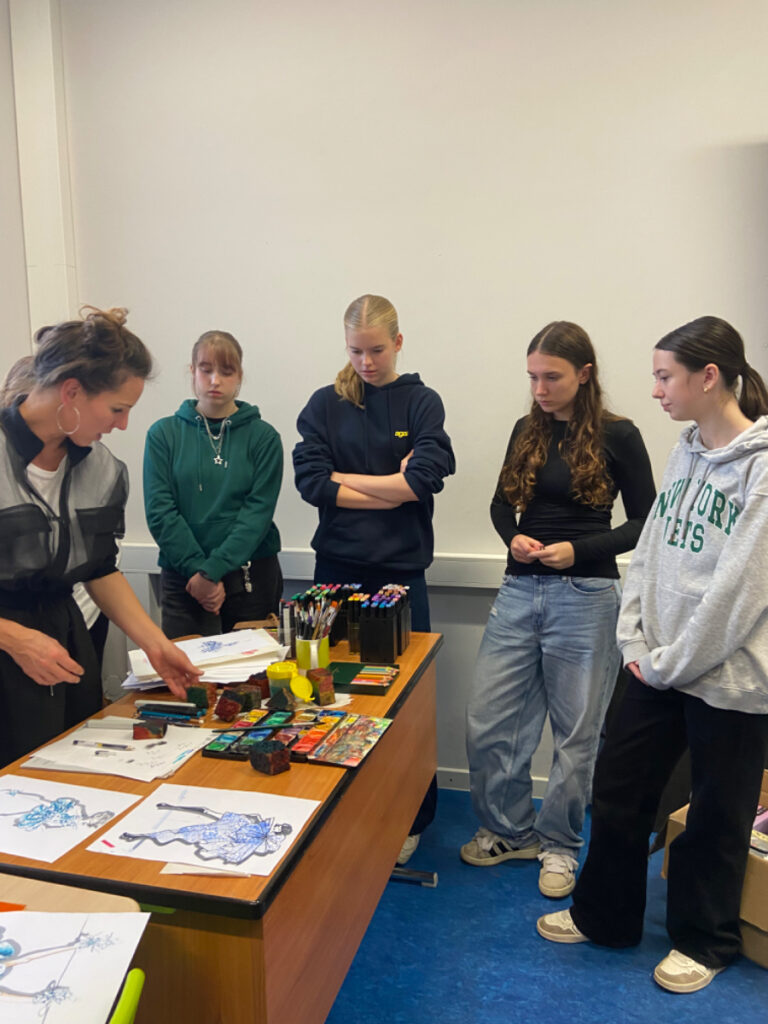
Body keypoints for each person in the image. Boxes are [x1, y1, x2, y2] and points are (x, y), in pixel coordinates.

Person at [537, 316, 768, 993]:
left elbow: (740, 592)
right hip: (654, 664)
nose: (656, 389)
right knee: (618, 792)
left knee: (716, 815)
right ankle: (605, 917)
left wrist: (670, 661)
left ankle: (704, 941)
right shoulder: (685, 449)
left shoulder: (761, 467)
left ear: (709, 377)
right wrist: (635, 638)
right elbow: (651, 550)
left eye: (666, 376)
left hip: (727, 677)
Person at [461, 321, 655, 898]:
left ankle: (560, 846)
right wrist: (513, 538)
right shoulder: (527, 429)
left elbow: (645, 522)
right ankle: (510, 831)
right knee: (489, 723)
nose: (540, 390)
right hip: (520, 590)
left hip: (587, 596)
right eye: (533, 377)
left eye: (552, 377)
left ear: (584, 374)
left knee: (575, 735)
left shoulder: (619, 434)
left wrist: (580, 550)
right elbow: (501, 506)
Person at [0, 307, 201, 768]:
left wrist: (156, 645)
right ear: (71, 392)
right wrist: (14, 639)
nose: (122, 425)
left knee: (72, 774)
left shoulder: (99, 467)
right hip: (9, 647)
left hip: (64, 640)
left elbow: (99, 570)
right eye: (117, 409)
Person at [293, 293, 455, 862]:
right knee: (328, 695)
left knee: (405, 705)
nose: (366, 362)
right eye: (356, 351)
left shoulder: (421, 402)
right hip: (336, 572)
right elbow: (312, 484)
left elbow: (422, 481)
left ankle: (411, 820)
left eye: (377, 350)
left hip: (401, 573)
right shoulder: (324, 404)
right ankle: (335, 813)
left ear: (399, 343)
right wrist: (391, 488)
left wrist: (350, 481)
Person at [143, 330, 283, 639]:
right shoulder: (163, 435)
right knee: (186, 667)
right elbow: (160, 512)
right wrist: (199, 572)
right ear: (192, 371)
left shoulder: (264, 437)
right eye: (206, 370)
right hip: (184, 577)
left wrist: (212, 570)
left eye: (226, 371)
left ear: (240, 375)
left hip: (250, 575)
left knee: (253, 669)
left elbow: (257, 515)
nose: (215, 380)